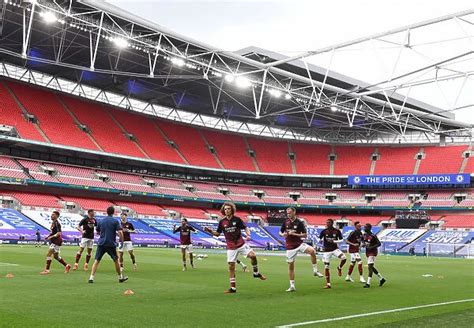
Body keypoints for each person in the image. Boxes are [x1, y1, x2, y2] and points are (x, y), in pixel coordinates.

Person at [204, 202, 266, 293]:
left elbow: (246, 228)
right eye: (225, 209)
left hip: (241, 244)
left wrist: (248, 235)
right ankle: (233, 288)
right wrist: (210, 231)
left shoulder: (237, 219)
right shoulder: (222, 222)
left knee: (253, 256)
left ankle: (256, 273)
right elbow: (217, 234)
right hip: (231, 247)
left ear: (232, 210)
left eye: (229, 209)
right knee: (231, 266)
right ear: (223, 211)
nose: (227, 210)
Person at [279, 207, 323, 292]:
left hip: (299, 244)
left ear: (294, 212)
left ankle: (315, 270)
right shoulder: (286, 222)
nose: (288, 215)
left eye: (290, 213)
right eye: (287, 213)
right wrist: (282, 234)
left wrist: (294, 234)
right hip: (290, 247)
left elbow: (305, 235)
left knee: (312, 251)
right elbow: (280, 232)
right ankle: (292, 286)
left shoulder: (299, 222)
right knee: (291, 266)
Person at [88, 206, 128, 283]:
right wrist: (122, 241)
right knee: (116, 260)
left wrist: (104, 233)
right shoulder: (115, 221)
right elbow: (120, 232)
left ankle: (91, 278)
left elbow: (97, 231)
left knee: (97, 260)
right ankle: (120, 277)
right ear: (113, 212)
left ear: (107, 212)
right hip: (111, 244)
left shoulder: (101, 221)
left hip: (101, 243)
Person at [319, 219, 346, 289]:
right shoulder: (324, 231)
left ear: (332, 223)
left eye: (329, 223)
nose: (327, 224)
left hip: (334, 249)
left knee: (344, 258)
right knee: (326, 267)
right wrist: (321, 241)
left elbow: (341, 240)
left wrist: (334, 241)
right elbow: (320, 239)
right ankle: (328, 284)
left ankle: (339, 267)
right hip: (327, 251)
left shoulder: (337, 231)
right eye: (327, 222)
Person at [362, 223, 386, 288]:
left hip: (372, 252)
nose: (364, 228)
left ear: (369, 228)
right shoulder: (364, 235)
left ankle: (368, 283)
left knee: (370, 267)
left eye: (365, 227)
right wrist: (363, 244)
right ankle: (381, 279)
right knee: (371, 267)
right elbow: (363, 241)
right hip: (367, 252)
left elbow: (379, 243)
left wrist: (372, 247)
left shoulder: (373, 236)